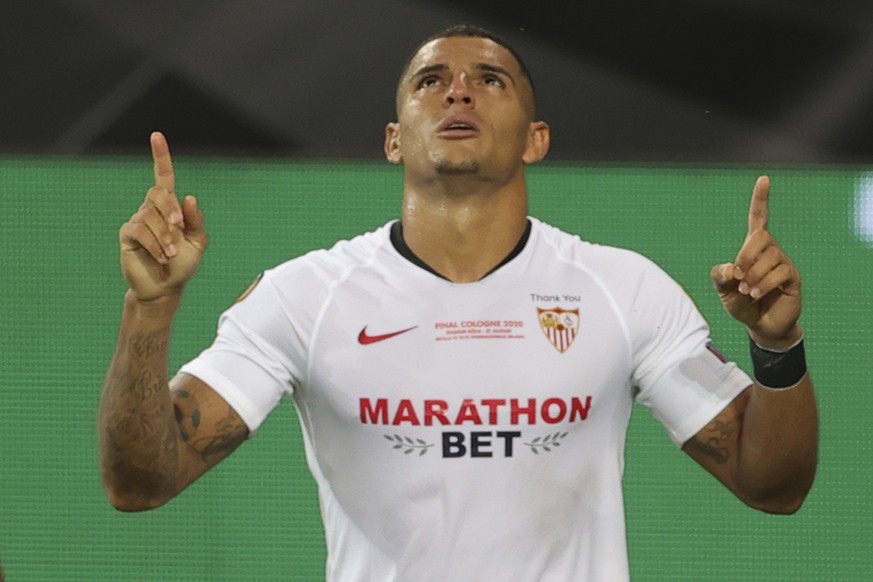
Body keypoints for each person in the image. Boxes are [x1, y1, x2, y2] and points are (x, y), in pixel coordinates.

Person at [99, 24, 818, 581]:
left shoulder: (621, 288)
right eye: (431, 80)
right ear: (392, 139)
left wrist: (777, 351)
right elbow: (140, 483)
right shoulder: (304, 296)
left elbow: (772, 487)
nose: (459, 92)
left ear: (536, 140)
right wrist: (151, 309)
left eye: (490, 80)